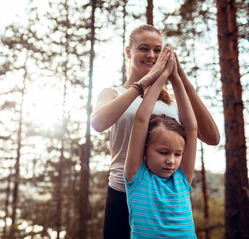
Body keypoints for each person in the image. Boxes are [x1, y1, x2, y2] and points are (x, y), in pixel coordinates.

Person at [90, 24, 220, 239]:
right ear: (129, 51)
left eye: (158, 50)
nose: (151, 55)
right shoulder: (113, 93)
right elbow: (97, 123)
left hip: (165, 196)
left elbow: (212, 137)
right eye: (144, 48)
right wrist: (145, 83)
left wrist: (179, 76)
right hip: (123, 193)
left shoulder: (174, 103)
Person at [124, 48, 197, 238]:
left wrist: (176, 79)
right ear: (145, 151)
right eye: (163, 152)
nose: (171, 161)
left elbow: (191, 128)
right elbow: (141, 118)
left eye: (177, 154)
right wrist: (162, 75)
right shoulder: (136, 177)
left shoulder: (182, 179)